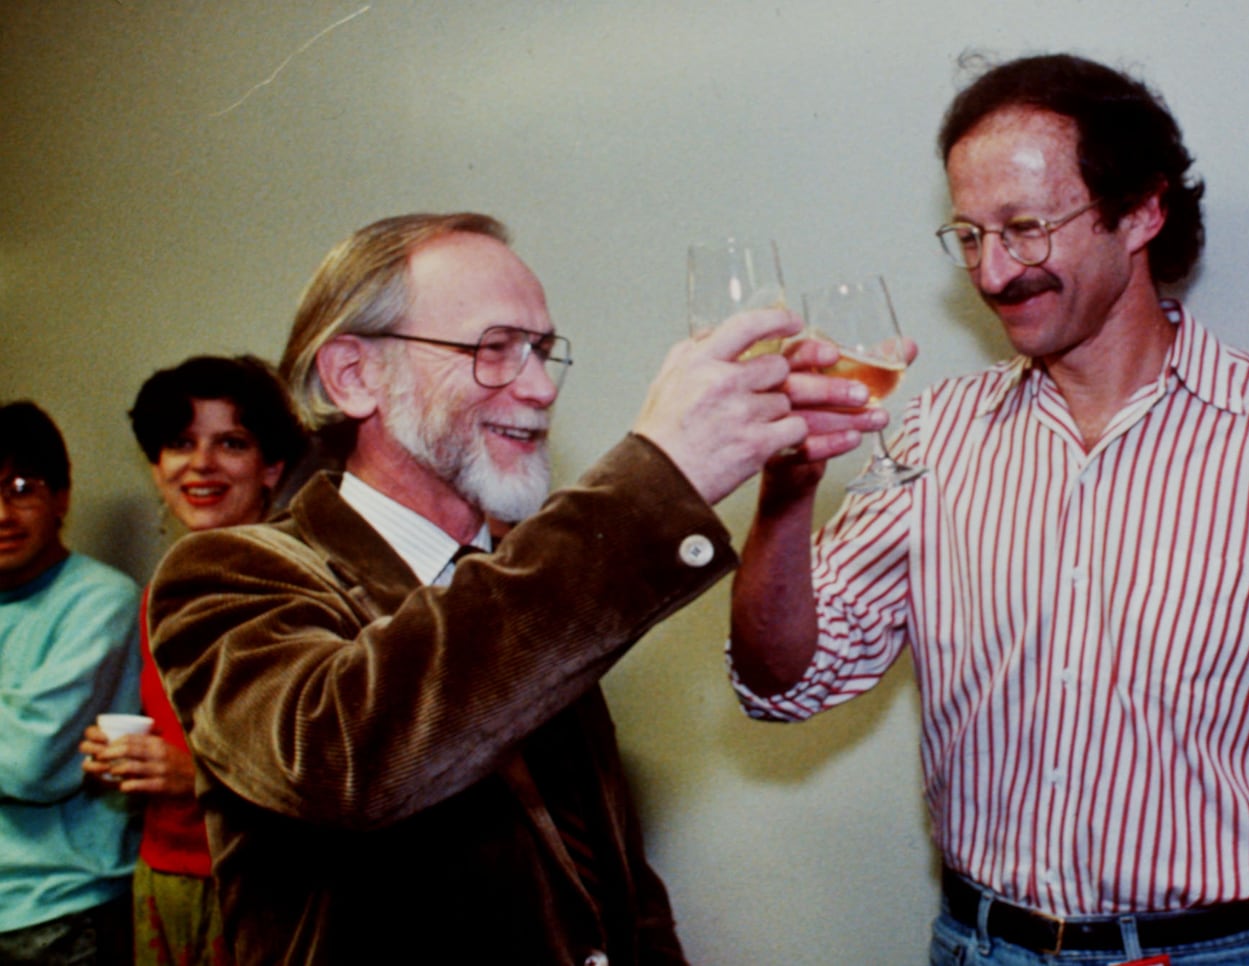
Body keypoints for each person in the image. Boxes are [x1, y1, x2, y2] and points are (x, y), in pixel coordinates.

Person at [729, 53, 1249, 965]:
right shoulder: (934, 434)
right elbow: (786, 682)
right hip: (981, 946)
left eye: (1025, 228)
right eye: (970, 236)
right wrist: (785, 500)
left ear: (1142, 211)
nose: (993, 274)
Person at [143, 211, 862, 965]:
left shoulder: (522, 574)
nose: (542, 388)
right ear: (355, 376)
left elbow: (609, 876)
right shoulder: (230, 576)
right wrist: (656, 475)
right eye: (494, 351)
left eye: (543, 351)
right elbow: (349, 763)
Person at [80, 356, 306, 966]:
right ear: (157, 468)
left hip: (263, 889)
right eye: (181, 443)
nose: (201, 464)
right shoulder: (162, 593)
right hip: (163, 874)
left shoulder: (295, 590)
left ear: (271, 468)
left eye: (231, 442)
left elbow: (327, 778)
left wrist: (193, 778)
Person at [0, 401, 142, 964]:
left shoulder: (100, 599)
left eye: (21, 488)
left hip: (59, 911)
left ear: (61, 498)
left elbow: (30, 762)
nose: (3, 514)